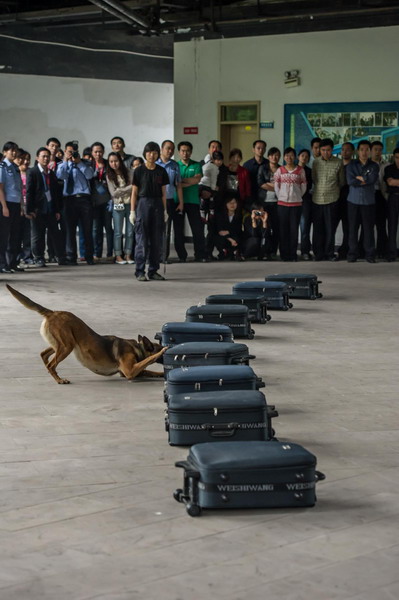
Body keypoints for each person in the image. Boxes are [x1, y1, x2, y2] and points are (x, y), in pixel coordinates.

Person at [129, 141, 169, 281]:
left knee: (156, 240)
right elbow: (134, 193)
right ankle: (140, 271)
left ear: (158, 154)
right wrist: (132, 211)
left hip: (158, 204)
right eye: (149, 152)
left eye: (154, 152)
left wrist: (165, 210)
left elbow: (164, 193)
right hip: (143, 204)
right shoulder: (139, 171)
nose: (152, 155)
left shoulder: (161, 171)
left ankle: (153, 270)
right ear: (145, 154)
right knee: (142, 239)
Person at [26, 147, 66, 267]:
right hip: (37, 209)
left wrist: (57, 210)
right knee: (38, 235)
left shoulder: (51, 173)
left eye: (47, 156)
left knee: (55, 234)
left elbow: (55, 193)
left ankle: (60, 257)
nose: (45, 158)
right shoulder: (32, 172)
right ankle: (39, 257)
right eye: (43, 156)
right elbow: (29, 192)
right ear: (37, 158)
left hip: (51, 209)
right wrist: (29, 209)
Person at [56, 141, 95, 265]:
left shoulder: (85, 163)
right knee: (70, 230)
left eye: (73, 151)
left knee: (87, 229)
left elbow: (90, 175)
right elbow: (60, 176)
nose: (71, 154)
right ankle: (71, 257)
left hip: (84, 199)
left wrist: (79, 163)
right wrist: (66, 161)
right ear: (65, 151)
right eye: (69, 151)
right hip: (69, 199)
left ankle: (89, 256)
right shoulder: (62, 164)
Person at [312, 138, 345, 261]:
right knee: (318, 229)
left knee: (330, 229)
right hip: (317, 199)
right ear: (319, 150)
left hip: (332, 199)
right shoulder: (316, 162)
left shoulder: (338, 162)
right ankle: (318, 254)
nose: (326, 152)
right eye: (323, 150)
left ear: (332, 150)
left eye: (328, 150)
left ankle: (329, 253)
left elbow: (341, 182)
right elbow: (314, 179)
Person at [346, 140, 379, 263]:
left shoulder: (374, 166)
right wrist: (364, 179)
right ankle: (352, 254)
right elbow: (350, 181)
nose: (364, 152)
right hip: (353, 201)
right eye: (362, 149)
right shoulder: (351, 165)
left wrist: (360, 178)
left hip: (368, 202)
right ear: (357, 151)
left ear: (370, 151)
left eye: (367, 150)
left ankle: (370, 255)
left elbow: (372, 180)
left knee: (368, 229)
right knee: (353, 229)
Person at [174, 141, 206, 262]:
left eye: (187, 150)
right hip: (177, 201)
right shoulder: (175, 165)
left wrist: (181, 183)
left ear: (191, 152)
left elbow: (196, 180)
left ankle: (200, 255)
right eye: (182, 150)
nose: (185, 153)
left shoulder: (196, 165)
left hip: (193, 201)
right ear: (179, 152)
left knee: (197, 229)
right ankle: (182, 256)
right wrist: (188, 182)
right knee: (178, 230)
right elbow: (175, 183)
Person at [274, 147, 307, 261]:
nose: (289, 157)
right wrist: (282, 197)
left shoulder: (300, 170)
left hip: (296, 205)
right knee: (283, 230)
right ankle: (284, 255)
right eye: (287, 155)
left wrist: (296, 197)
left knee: (294, 230)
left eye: (292, 155)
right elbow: (276, 187)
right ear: (284, 157)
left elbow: (303, 187)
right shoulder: (280, 170)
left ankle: (293, 254)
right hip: (282, 205)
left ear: (295, 157)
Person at [156, 140, 183, 262]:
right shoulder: (154, 164)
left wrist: (181, 202)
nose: (170, 151)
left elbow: (178, 185)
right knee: (156, 229)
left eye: (172, 149)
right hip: (156, 201)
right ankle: (153, 255)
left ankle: (163, 256)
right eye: (167, 148)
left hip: (170, 201)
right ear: (161, 149)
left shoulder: (174, 165)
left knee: (167, 230)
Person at [0, 141, 24, 274]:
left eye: (15, 150)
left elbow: (19, 189)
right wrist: (4, 206)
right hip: (6, 204)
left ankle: (12, 263)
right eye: (11, 150)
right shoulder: (2, 167)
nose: (14, 153)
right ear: (5, 152)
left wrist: (21, 206)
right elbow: (0, 188)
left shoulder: (15, 167)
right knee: (4, 236)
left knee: (15, 235)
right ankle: (2, 264)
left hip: (15, 204)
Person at [106, 152, 134, 265]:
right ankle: (118, 255)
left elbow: (134, 187)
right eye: (111, 162)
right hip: (117, 205)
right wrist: (126, 189)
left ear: (120, 161)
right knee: (118, 232)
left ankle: (128, 254)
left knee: (130, 231)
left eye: (116, 161)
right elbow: (113, 193)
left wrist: (120, 190)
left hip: (130, 204)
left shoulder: (129, 172)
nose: (114, 164)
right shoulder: (109, 175)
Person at [257, 146, 281, 259]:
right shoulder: (263, 168)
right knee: (265, 227)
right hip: (264, 202)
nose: (274, 157)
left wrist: (271, 186)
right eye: (272, 155)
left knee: (276, 228)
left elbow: (284, 186)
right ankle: (265, 251)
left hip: (278, 203)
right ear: (268, 157)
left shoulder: (282, 169)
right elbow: (261, 183)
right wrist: (276, 187)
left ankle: (273, 251)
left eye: (276, 155)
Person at [91, 142, 113, 261]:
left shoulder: (108, 164)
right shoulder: (89, 165)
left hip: (107, 200)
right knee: (96, 229)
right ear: (92, 153)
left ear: (103, 152)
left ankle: (110, 254)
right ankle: (96, 254)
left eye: (100, 151)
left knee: (108, 228)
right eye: (95, 152)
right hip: (94, 202)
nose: (98, 154)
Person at [334, 142, 354, 260]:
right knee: (332, 227)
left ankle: (345, 251)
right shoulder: (337, 164)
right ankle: (329, 251)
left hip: (349, 200)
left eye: (347, 150)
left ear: (352, 152)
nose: (344, 152)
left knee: (348, 228)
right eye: (343, 149)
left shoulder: (355, 165)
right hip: (335, 199)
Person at [15, 149, 34, 265]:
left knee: (28, 234)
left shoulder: (31, 173)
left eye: (28, 159)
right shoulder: (15, 173)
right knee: (16, 235)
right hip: (17, 206)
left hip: (29, 206)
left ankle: (27, 256)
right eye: (23, 159)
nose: (26, 161)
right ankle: (16, 257)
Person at [371, 141, 389, 258]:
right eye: (375, 149)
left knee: (381, 225)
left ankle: (383, 251)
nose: (378, 152)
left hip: (381, 196)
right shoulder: (366, 164)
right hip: (369, 196)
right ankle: (369, 251)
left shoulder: (386, 165)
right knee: (367, 226)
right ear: (371, 151)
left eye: (380, 149)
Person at [214, 191, 243, 260]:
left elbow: (238, 229)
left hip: (234, 235)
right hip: (224, 237)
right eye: (230, 203)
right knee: (218, 237)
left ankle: (235, 252)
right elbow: (220, 230)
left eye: (234, 202)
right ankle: (223, 252)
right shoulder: (220, 215)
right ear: (226, 204)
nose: (232, 205)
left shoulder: (239, 215)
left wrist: (229, 232)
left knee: (238, 236)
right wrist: (230, 239)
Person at [383, 147, 399, 262]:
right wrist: (394, 182)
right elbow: (390, 182)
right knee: (392, 226)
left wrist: (396, 182)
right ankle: (392, 253)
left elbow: (395, 182)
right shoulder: (389, 168)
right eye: (397, 158)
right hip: (393, 198)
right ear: (394, 157)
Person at [297, 148, 313, 260]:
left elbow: (309, 186)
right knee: (291, 228)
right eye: (302, 155)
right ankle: (291, 251)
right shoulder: (291, 169)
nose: (304, 158)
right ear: (298, 156)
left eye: (307, 156)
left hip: (305, 201)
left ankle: (305, 251)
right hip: (292, 201)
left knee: (304, 228)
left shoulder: (309, 171)